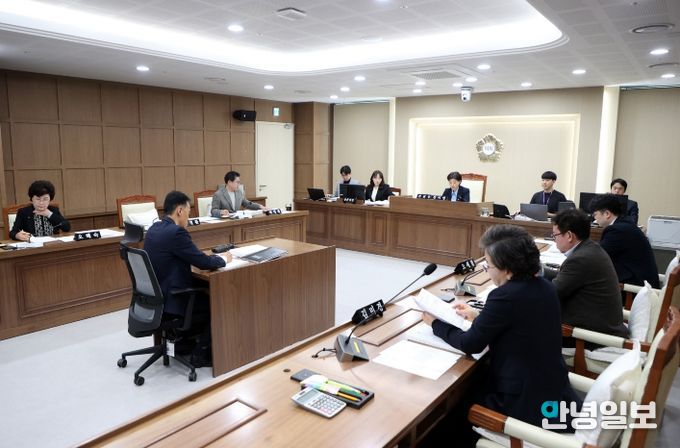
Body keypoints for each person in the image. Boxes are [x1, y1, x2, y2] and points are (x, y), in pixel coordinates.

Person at [422, 225, 580, 431]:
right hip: (553, 388)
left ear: (507, 269)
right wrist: (478, 315)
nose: (487, 271)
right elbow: (520, 323)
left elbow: (470, 344)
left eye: (488, 265)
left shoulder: (504, 296)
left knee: (450, 410)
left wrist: (435, 324)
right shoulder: (545, 286)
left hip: (524, 400)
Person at [145, 191, 230, 367]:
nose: (189, 218)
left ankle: (183, 342)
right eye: (188, 212)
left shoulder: (154, 229)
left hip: (153, 298)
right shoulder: (176, 232)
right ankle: (200, 354)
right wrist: (223, 259)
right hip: (172, 300)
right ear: (179, 211)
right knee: (218, 303)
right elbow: (203, 262)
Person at [544, 209, 628, 342]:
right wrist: (542, 271)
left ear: (569, 235)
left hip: (590, 337)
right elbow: (567, 277)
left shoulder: (581, 259)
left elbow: (550, 294)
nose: (554, 240)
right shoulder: (590, 248)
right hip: (600, 324)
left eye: (555, 235)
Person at [590, 194, 659, 288]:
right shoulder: (624, 224)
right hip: (640, 280)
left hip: (635, 288)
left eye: (595, 215)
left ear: (607, 214)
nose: (594, 219)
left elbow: (597, 256)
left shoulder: (617, 230)